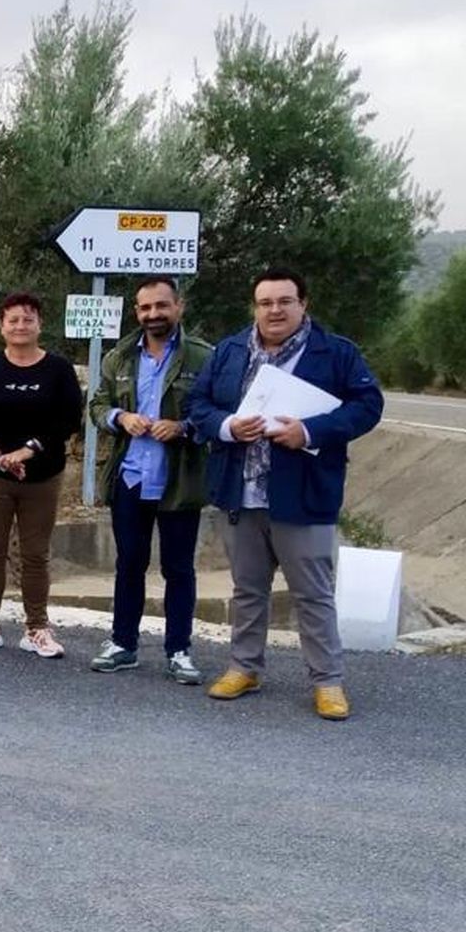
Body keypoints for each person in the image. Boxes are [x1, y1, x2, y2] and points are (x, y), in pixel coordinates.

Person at [185, 268, 383, 720]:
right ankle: (244, 668)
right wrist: (227, 426)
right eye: (265, 302)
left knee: (313, 593)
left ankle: (327, 682)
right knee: (247, 590)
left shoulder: (337, 353)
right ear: (255, 306)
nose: (274, 310)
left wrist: (311, 430)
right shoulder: (231, 351)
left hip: (304, 494)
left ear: (303, 304)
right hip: (241, 491)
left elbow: (368, 406)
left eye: (284, 301)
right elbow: (198, 405)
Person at [86, 275, 213, 684]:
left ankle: (179, 651)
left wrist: (184, 427)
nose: (153, 314)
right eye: (145, 308)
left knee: (178, 569)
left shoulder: (202, 358)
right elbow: (96, 406)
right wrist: (120, 418)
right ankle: (124, 644)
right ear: (136, 312)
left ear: (179, 307)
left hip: (179, 480)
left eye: (161, 306)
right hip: (131, 478)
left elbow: (217, 412)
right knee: (129, 565)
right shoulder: (119, 357)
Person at [0, 291, 84, 659]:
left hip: (42, 476)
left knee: (35, 554)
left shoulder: (58, 369)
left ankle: (37, 628)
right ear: (1, 327)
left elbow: (67, 421)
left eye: (27, 319)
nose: (20, 325)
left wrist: (26, 451)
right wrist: (0, 457)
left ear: (39, 325)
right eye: (12, 319)